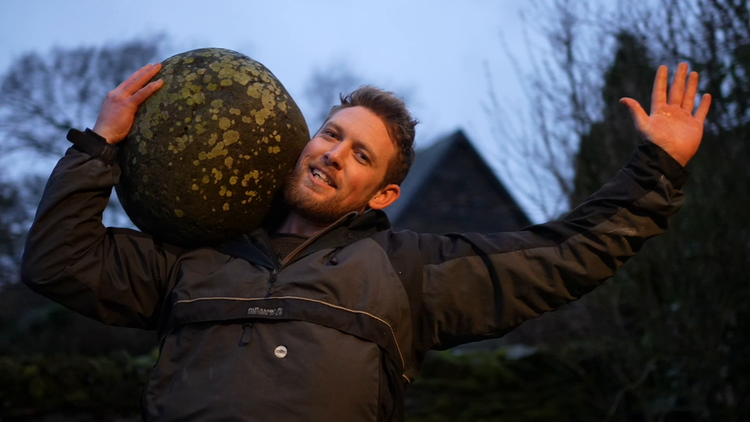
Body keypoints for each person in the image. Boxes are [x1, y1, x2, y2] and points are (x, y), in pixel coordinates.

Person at [21, 61, 711, 422]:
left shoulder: (408, 270)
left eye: (360, 156)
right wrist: (99, 146)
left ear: (383, 194)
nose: (332, 156)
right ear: (303, 141)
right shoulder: (195, 256)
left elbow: (565, 255)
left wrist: (658, 169)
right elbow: (58, 262)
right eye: (331, 135)